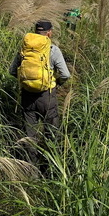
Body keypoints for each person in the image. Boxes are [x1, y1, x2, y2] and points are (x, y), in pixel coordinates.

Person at [9, 19, 70, 163]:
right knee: (52, 133)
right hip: (47, 96)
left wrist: (27, 82)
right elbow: (65, 74)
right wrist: (57, 83)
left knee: (30, 134)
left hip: (27, 96)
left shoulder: (25, 49)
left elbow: (12, 71)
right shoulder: (53, 50)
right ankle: (51, 166)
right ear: (49, 33)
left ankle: (31, 168)